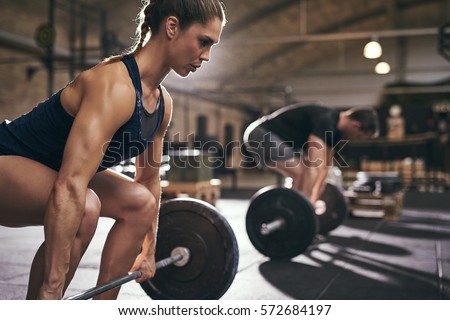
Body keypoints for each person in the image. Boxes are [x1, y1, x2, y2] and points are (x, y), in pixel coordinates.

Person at [0, 0, 226, 300]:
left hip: (57, 171)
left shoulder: (162, 104)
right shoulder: (114, 86)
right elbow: (70, 185)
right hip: (10, 159)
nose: (207, 56)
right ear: (172, 27)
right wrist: (51, 288)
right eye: (203, 41)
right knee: (85, 208)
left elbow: (148, 180)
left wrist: (148, 251)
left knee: (141, 202)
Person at [243, 103, 379, 205]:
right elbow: (314, 167)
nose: (357, 140)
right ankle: (292, 209)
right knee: (302, 172)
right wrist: (307, 206)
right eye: (360, 136)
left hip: (280, 140)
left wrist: (313, 201)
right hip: (260, 133)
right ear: (356, 125)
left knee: (304, 174)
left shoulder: (337, 135)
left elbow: (324, 170)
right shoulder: (327, 120)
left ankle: (291, 208)